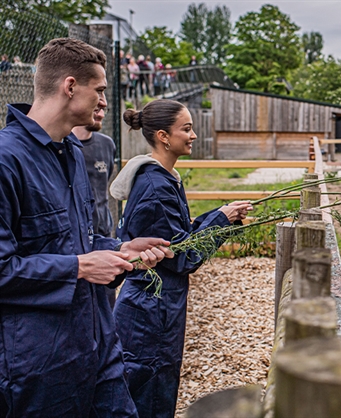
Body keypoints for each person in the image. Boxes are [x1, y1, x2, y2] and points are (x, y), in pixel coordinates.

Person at [0, 38, 173, 417]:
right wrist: (79, 267)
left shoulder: (74, 154)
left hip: (99, 348)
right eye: (100, 90)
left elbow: (82, 239)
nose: (105, 102)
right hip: (40, 365)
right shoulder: (6, 160)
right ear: (70, 86)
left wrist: (121, 249)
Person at [110, 99, 253, 418]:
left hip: (155, 306)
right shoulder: (156, 186)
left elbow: (177, 236)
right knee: (148, 394)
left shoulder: (162, 177)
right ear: (163, 136)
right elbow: (182, 256)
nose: (193, 136)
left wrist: (220, 215)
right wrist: (220, 222)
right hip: (150, 309)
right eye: (186, 129)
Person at [72, 107, 117, 307]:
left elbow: (104, 183)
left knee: (107, 301)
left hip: (103, 235)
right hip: (76, 243)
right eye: (97, 107)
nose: (101, 112)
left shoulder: (106, 144)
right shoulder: (65, 147)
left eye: (105, 109)